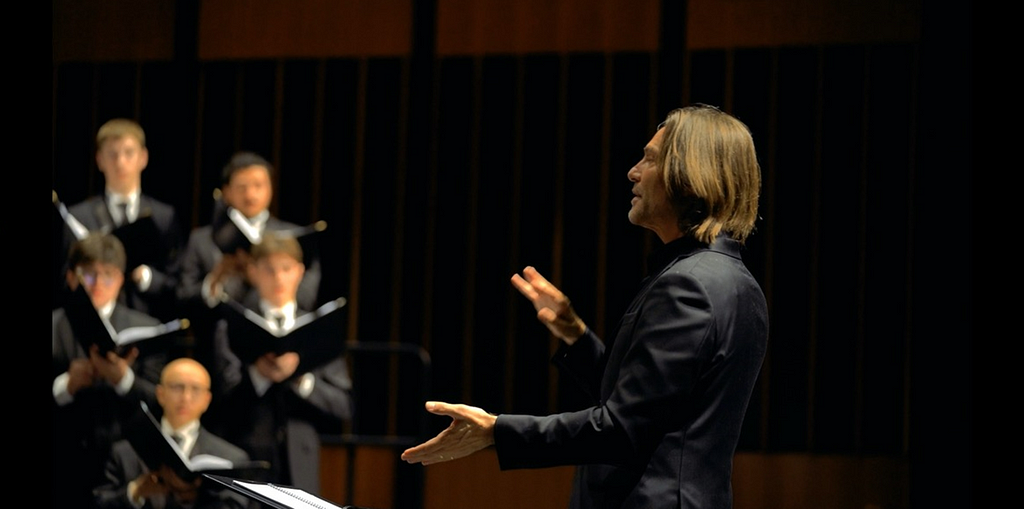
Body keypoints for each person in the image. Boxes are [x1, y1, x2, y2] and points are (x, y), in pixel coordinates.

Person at [401, 104, 769, 509]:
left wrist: (495, 430)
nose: (633, 172)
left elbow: (621, 429)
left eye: (649, 158)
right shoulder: (735, 281)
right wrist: (575, 335)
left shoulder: (688, 285)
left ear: (690, 172)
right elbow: (652, 404)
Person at [206, 232, 352, 496]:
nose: (279, 278)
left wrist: (301, 378)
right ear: (253, 272)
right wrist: (257, 374)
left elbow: (344, 404)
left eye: (286, 269)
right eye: (269, 270)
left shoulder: (318, 330)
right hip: (244, 453)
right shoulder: (231, 325)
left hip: (300, 461)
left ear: (300, 272)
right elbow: (220, 398)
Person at [53, 233, 172, 509]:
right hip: (62, 452)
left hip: (124, 457)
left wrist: (123, 380)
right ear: (71, 277)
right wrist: (65, 386)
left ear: (120, 280)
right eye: (88, 274)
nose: (97, 284)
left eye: (108, 275)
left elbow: (161, 400)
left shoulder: (147, 328)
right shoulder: (54, 325)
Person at [176, 151, 323, 367]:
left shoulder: (292, 238)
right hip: (218, 351)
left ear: (271, 188)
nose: (250, 194)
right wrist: (215, 280)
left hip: (280, 346)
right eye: (242, 187)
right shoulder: (203, 240)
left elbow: (307, 296)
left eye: (258, 185)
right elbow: (183, 298)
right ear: (226, 192)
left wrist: (261, 277)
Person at [56, 118, 185, 321]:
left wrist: (146, 277)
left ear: (143, 158)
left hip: (146, 320)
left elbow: (176, 281)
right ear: (100, 160)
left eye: (128, 153)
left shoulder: (163, 216)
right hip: (89, 324)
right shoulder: (79, 216)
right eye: (112, 154)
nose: (120, 162)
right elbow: (64, 278)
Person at [92, 357, 250, 509]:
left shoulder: (232, 460)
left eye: (195, 389)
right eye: (177, 387)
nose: (185, 397)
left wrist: (193, 497)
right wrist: (135, 492)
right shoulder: (123, 453)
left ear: (207, 400)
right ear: (160, 394)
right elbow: (99, 503)